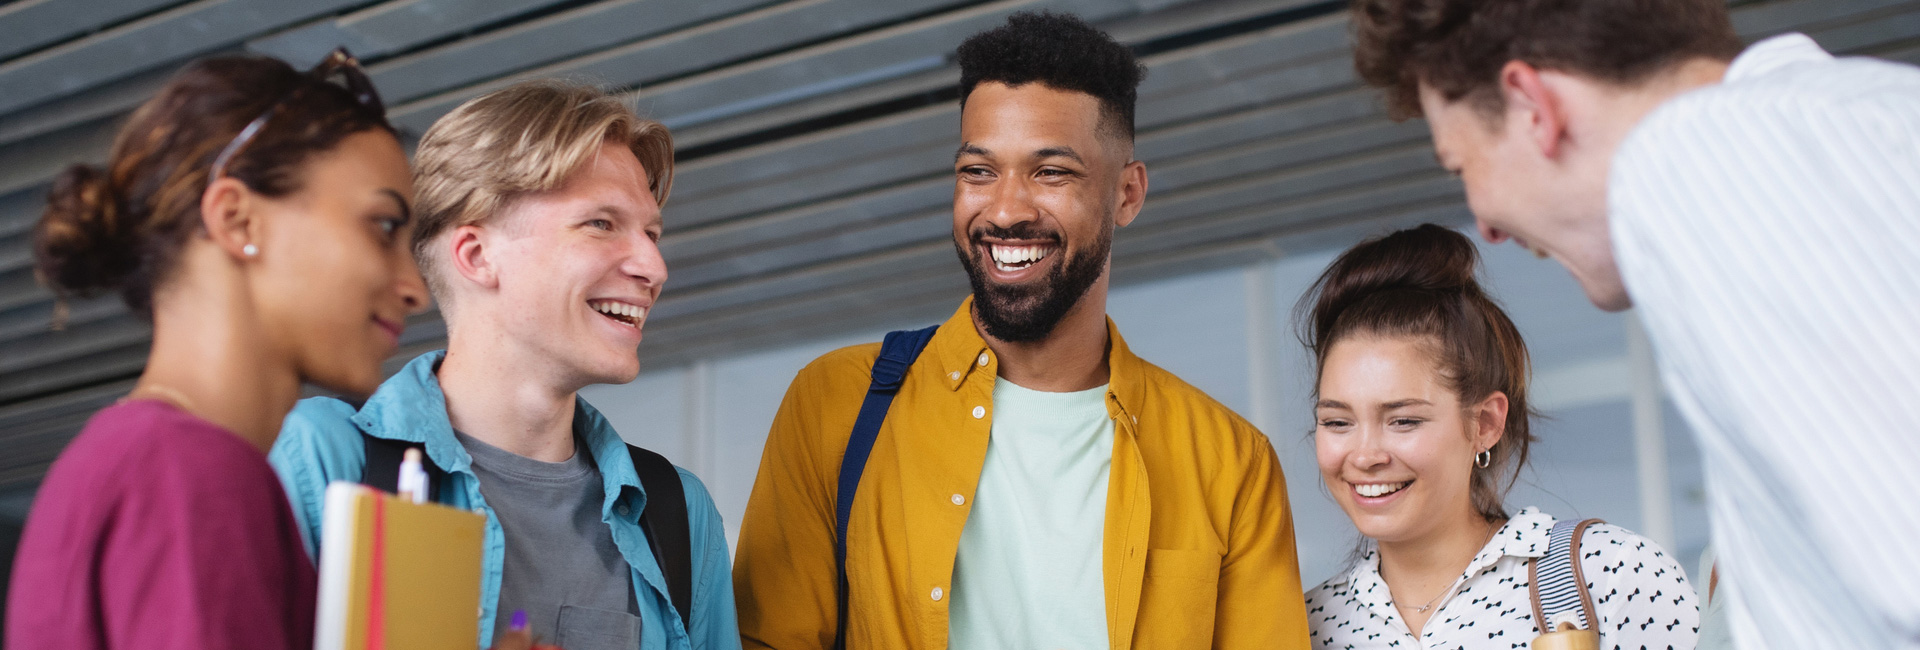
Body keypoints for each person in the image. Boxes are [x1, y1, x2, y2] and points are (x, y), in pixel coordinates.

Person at [1350, 0, 1920, 647]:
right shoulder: (1851, 118)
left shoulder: (1722, 157)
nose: (1485, 224)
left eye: (1463, 165)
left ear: (1534, 106)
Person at [732, 12, 1309, 650]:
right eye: (978, 172)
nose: (1005, 210)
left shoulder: (1231, 463)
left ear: (1127, 194)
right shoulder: (835, 405)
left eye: (1051, 172)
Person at [268, 80, 741, 650]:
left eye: (651, 232)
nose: (654, 265)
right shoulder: (323, 459)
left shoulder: (676, 514)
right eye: (601, 223)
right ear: (476, 255)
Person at [4, 51, 428, 649]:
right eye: (383, 226)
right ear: (237, 220)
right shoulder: (189, 473)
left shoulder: (134, 457)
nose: (414, 288)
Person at [1297, 224, 1698, 649]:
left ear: (1485, 423)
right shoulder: (1307, 627)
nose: (1365, 455)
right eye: (1338, 422)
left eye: (1404, 421)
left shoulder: (1612, 574)